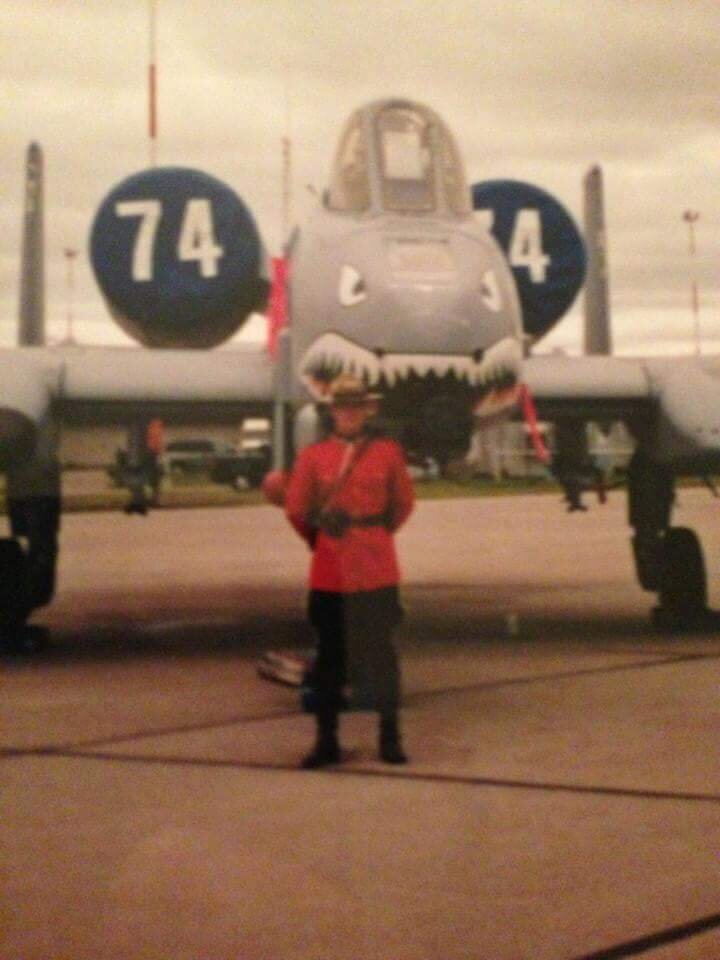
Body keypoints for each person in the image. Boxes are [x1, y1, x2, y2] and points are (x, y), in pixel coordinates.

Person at [285, 374, 415, 769]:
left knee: (383, 657)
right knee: (329, 661)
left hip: (376, 568)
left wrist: (373, 532)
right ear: (331, 412)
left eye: (356, 406)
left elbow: (403, 504)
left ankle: (390, 739)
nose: (349, 413)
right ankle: (327, 742)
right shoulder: (313, 457)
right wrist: (322, 538)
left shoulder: (388, 453)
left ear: (367, 410)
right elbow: (296, 508)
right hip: (330, 571)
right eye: (342, 406)